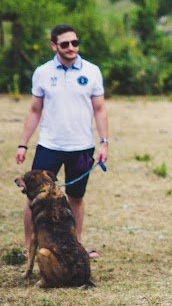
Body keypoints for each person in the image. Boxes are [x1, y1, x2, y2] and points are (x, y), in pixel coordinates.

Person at [15, 24, 109, 259]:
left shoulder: (92, 71)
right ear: (54, 45)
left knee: (76, 197)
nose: (70, 48)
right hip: (50, 145)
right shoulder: (43, 72)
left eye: (74, 43)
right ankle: (28, 247)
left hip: (81, 146)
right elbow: (35, 110)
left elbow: (100, 109)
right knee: (34, 198)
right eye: (65, 44)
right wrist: (23, 143)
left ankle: (75, 247)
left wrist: (104, 142)